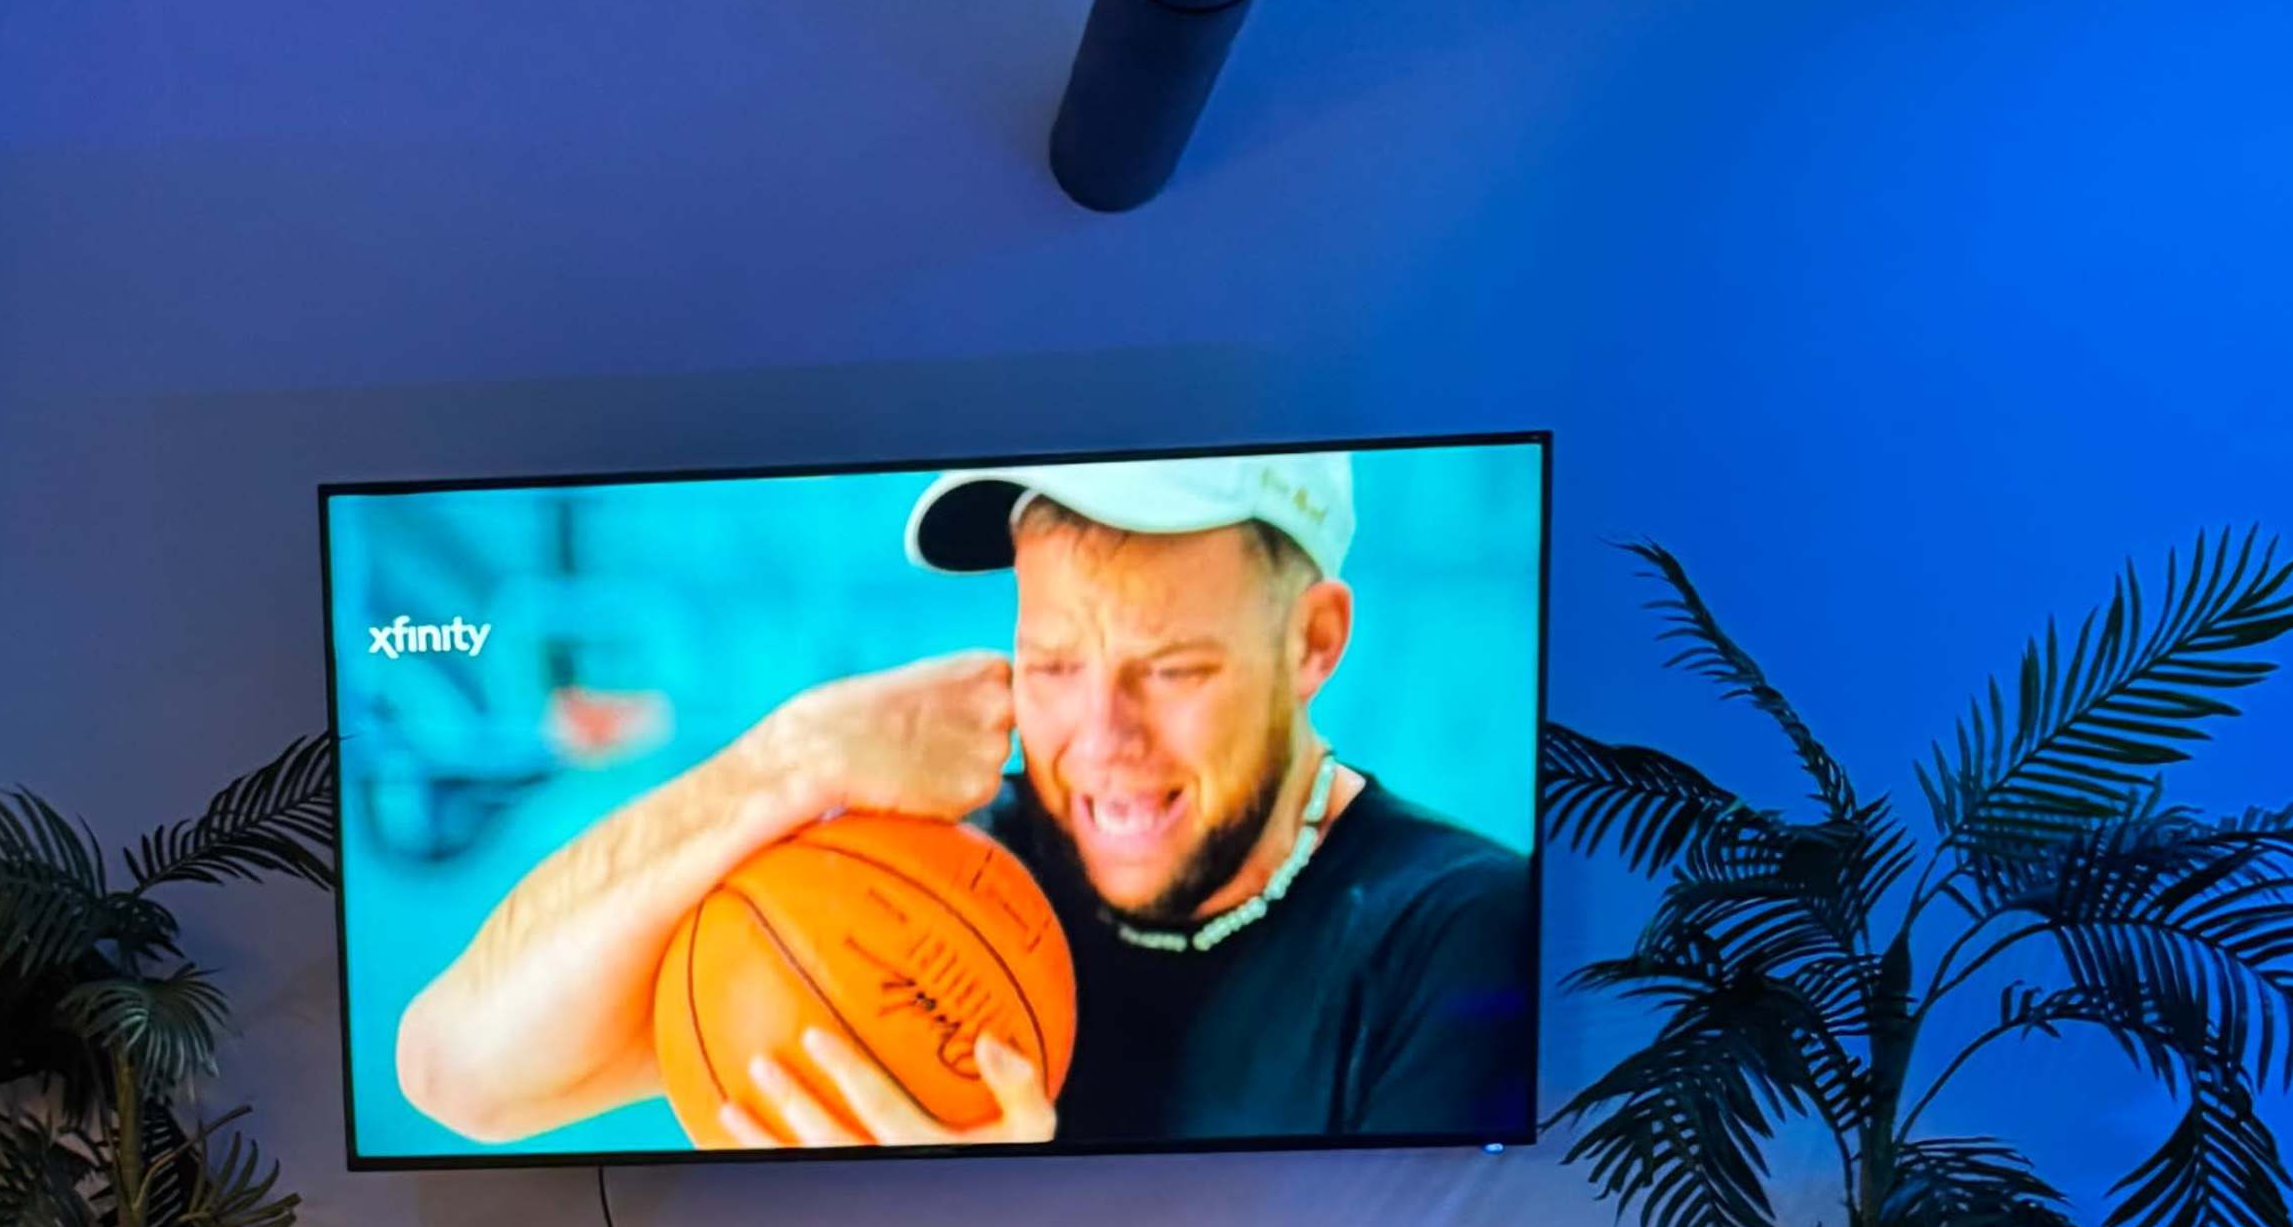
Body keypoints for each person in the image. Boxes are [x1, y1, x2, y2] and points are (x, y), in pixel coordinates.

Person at [390, 449, 1533, 1151]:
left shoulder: (1461, 930)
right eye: (1052, 663)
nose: (1101, 741)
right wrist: (785, 762)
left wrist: (1002, 1217)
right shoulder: (932, 882)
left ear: (1313, 642)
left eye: (1174, 669)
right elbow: (457, 1075)